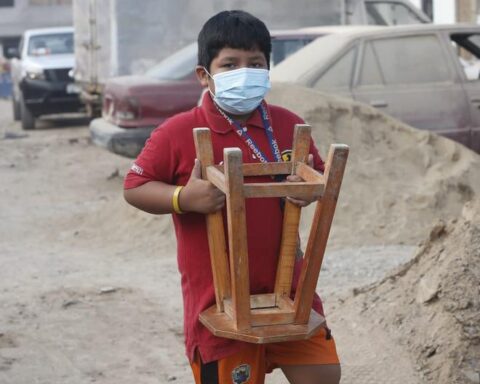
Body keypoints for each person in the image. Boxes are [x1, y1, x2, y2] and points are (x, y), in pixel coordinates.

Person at [124, 10, 340, 384]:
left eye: (255, 63)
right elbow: (134, 187)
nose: (244, 72)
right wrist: (183, 198)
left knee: (323, 376)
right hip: (217, 299)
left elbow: (318, 174)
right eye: (230, 64)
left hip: (288, 291)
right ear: (204, 75)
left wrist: (307, 189)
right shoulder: (178, 132)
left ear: (268, 70)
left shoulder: (289, 124)